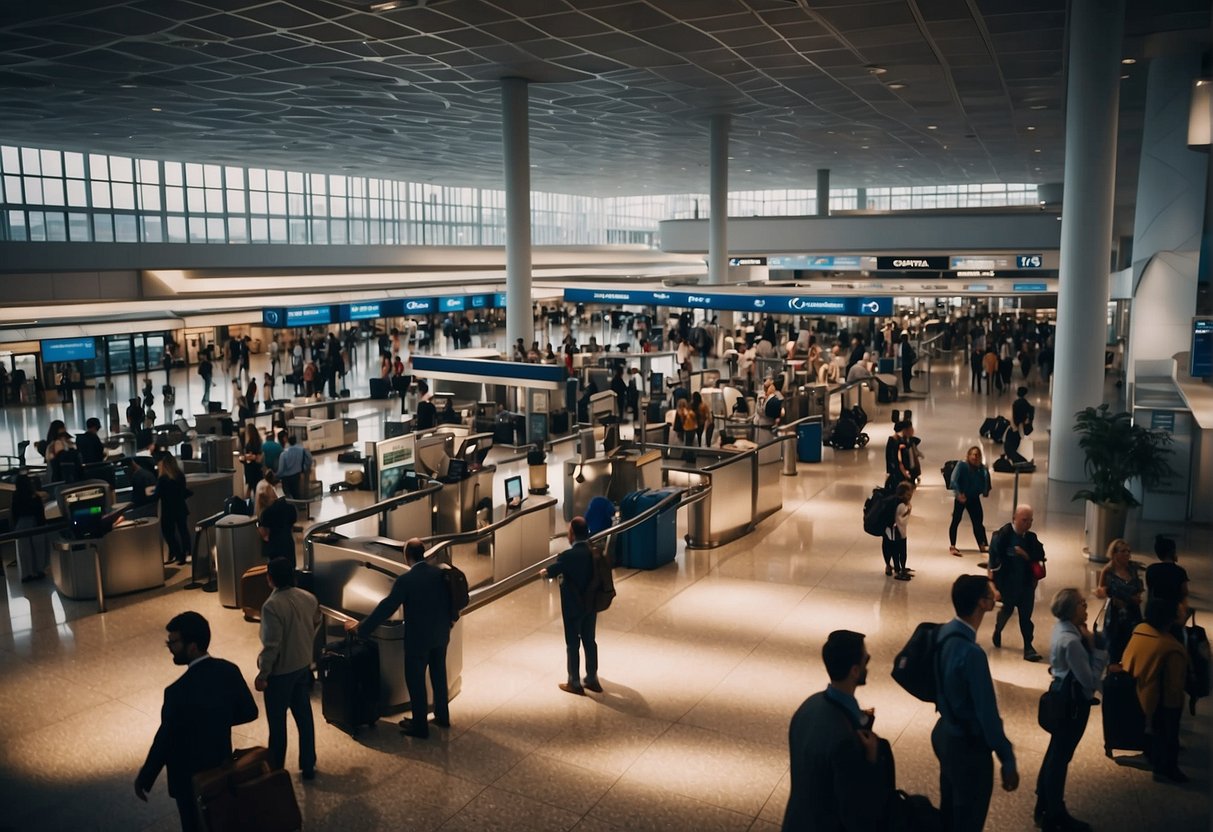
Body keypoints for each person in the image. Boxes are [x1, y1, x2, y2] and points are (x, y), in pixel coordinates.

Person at [135, 611, 258, 832]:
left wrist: (146, 776)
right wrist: (218, 720)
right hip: (220, 768)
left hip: (187, 779)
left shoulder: (176, 692)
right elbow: (250, 711)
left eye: (173, 642)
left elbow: (165, 740)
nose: (169, 647)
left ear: (192, 646)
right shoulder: (229, 670)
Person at [781, 630, 893, 831]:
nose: (869, 661)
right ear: (855, 671)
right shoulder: (846, 741)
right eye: (866, 658)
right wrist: (872, 760)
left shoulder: (808, 706)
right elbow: (856, 810)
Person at [932, 575, 1018, 832]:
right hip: (968, 749)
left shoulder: (943, 632)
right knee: (969, 816)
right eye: (991, 593)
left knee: (949, 808)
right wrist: (1008, 759)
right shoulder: (972, 654)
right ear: (982, 603)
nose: (996, 596)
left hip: (944, 733)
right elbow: (987, 714)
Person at [345, 538, 451, 738]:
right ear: (424, 553)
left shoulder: (406, 580)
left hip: (418, 640)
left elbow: (386, 608)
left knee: (416, 680)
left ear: (406, 556)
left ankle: (420, 725)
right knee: (439, 675)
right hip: (440, 635)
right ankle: (442, 716)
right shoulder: (439, 574)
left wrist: (362, 628)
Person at [1035, 588, 1107, 832]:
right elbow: (1088, 680)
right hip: (1073, 705)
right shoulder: (1074, 641)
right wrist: (1098, 652)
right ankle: (1054, 811)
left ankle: (1043, 801)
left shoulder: (1062, 629)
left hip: (1059, 698)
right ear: (1070, 609)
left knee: (1055, 752)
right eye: (1081, 604)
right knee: (1060, 757)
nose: (1086, 608)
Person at [255, 557, 321, 779]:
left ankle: (276, 771)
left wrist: (263, 674)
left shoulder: (271, 606)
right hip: (303, 666)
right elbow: (316, 620)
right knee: (304, 717)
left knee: (278, 725)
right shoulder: (308, 598)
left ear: (270, 578)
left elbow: (271, 645)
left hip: (280, 674)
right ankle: (308, 763)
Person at [1122, 596, 1191, 783]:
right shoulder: (1171, 647)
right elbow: (1175, 685)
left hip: (1142, 691)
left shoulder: (1140, 630)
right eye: (1180, 609)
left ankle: (1152, 756)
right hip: (1164, 700)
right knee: (1168, 734)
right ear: (1170, 617)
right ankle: (1167, 769)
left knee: (1154, 731)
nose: (1184, 610)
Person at [540, 517, 601, 695]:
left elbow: (552, 570)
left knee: (573, 643)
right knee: (590, 640)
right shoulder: (594, 552)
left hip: (573, 607)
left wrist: (544, 572)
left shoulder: (568, 556)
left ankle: (574, 681)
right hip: (591, 604)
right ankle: (592, 677)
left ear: (572, 534)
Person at [988, 504, 1045, 662]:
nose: (1027, 524)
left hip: (1026, 585)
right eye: (1024, 520)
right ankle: (998, 629)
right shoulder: (1002, 536)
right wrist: (992, 586)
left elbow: (1039, 555)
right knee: (1006, 611)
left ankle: (1028, 646)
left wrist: (1025, 555)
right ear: (1014, 518)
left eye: (1030, 521)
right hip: (1007, 584)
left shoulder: (1031, 539)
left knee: (1025, 617)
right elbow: (992, 561)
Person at [1094, 538, 1143, 663]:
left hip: (1133, 612)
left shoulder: (1132, 569)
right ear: (1114, 554)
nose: (1127, 554)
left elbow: (1138, 587)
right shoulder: (1108, 571)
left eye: (1128, 551)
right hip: (1116, 614)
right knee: (1115, 646)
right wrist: (1106, 593)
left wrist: (1137, 595)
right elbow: (1101, 590)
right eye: (1123, 551)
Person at [948, 446, 990, 556]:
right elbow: (953, 480)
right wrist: (958, 494)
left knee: (978, 522)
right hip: (962, 496)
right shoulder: (962, 465)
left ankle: (982, 544)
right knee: (956, 520)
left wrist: (985, 490)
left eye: (978, 455)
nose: (975, 457)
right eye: (973, 454)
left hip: (974, 497)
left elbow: (985, 482)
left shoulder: (982, 469)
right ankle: (952, 545)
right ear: (968, 455)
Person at [154, 455, 192, 565]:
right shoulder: (180, 476)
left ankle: (178, 554)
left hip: (168, 510)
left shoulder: (162, 479)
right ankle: (186, 553)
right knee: (183, 531)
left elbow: (156, 496)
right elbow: (184, 491)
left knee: (168, 533)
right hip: (180, 507)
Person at [11, 474, 49, 582]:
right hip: (37, 523)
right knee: (39, 548)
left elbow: (14, 513)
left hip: (21, 524)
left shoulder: (16, 496)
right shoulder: (35, 497)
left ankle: (26, 573)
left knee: (24, 550)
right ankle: (39, 570)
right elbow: (40, 512)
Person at [258, 478, 298, 559]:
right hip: (288, 542)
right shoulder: (290, 507)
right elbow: (293, 521)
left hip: (274, 545)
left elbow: (263, 533)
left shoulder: (266, 513)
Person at [881, 481, 914, 581]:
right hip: (897, 532)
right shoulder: (902, 505)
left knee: (890, 549)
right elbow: (902, 521)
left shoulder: (892, 500)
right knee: (901, 551)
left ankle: (893, 567)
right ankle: (901, 570)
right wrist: (909, 511)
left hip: (888, 530)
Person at [1146, 534, 1188, 606]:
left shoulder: (1151, 569)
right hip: (1173, 608)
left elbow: (1150, 590)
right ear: (1173, 552)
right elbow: (1184, 592)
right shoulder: (1179, 571)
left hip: (1156, 608)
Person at [276, 432, 313, 501]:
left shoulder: (284, 454)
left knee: (288, 496)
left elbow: (281, 469)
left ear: (288, 442)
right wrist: (305, 468)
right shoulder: (302, 450)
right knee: (297, 493)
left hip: (286, 478)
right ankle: (299, 507)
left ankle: (291, 508)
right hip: (297, 475)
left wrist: (276, 475)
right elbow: (309, 459)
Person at [240, 423, 263, 498]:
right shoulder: (258, 442)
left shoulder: (249, 444)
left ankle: (248, 504)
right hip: (256, 468)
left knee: (250, 487)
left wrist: (245, 458)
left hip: (250, 468)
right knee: (255, 487)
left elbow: (252, 457)